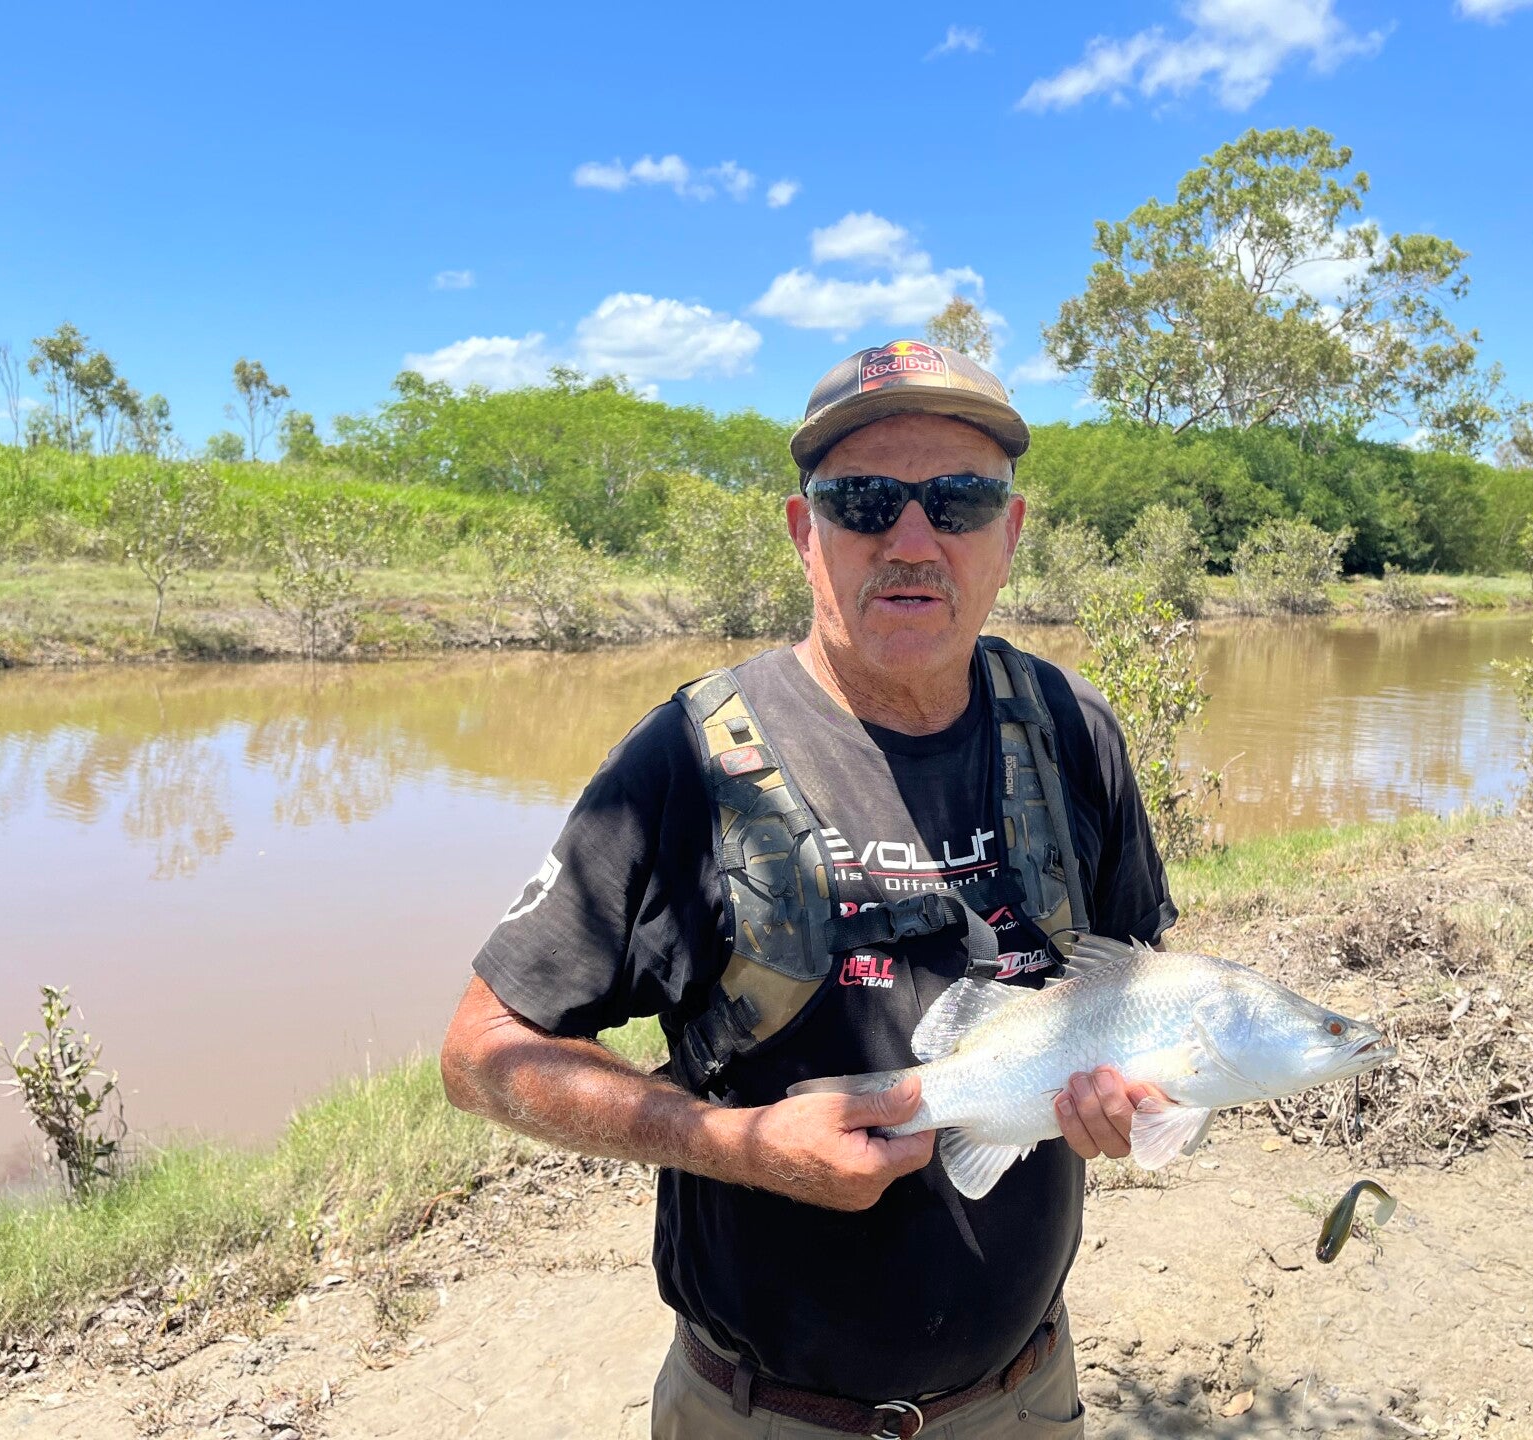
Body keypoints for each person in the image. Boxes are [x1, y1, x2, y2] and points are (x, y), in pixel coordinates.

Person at [441, 339, 1176, 1439]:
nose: (913, 540)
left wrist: (1135, 1094)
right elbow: (480, 1053)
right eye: (865, 501)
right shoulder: (688, 762)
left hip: (1024, 1397)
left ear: (1010, 533)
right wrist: (737, 1147)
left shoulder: (1072, 731)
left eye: (960, 501)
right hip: (764, 1416)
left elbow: (1143, 988)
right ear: (804, 532)